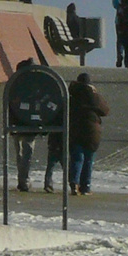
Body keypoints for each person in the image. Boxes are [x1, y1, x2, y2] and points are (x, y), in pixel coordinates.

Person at [9, 60, 62, 193]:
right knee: (26, 154)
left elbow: (11, 105)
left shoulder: (15, 83)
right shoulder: (37, 82)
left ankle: (22, 180)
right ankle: (24, 181)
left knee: (20, 153)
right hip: (30, 125)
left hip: (16, 124)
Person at [68, 73, 109, 196]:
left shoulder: (72, 94)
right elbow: (105, 110)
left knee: (77, 158)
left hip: (75, 128)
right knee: (88, 160)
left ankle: (74, 183)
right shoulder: (93, 95)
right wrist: (95, 93)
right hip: (91, 131)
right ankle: (85, 187)